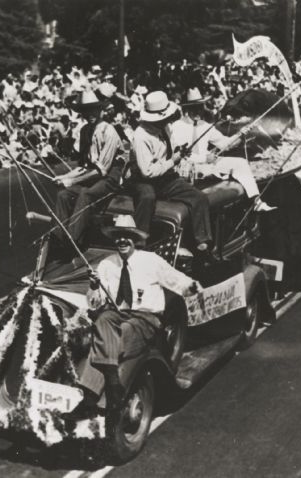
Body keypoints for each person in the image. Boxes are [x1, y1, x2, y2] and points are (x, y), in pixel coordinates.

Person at [67, 215, 199, 418]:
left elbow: (174, 279)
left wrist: (192, 286)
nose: (122, 241)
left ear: (134, 239)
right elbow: (95, 303)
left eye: (126, 236)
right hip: (116, 315)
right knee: (102, 321)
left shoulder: (151, 260)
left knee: (115, 336)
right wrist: (94, 287)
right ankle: (109, 383)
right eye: (118, 237)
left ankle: (94, 395)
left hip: (145, 318)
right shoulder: (106, 265)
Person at [129, 90, 213, 258]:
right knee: (147, 197)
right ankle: (139, 240)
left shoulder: (165, 127)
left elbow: (172, 147)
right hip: (143, 179)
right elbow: (147, 171)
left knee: (199, 197)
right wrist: (173, 161)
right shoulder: (141, 136)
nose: (169, 119)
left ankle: (202, 240)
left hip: (166, 176)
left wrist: (179, 152)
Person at [53, 90, 124, 249]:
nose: (90, 114)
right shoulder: (85, 131)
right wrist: (64, 177)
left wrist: (72, 180)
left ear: (101, 110)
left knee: (86, 194)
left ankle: (72, 242)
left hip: (110, 178)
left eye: (93, 110)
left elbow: (102, 170)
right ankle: (58, 239)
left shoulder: (109, 131)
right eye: (86, 111)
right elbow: (83, 166)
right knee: (63, 195)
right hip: (92, 175)